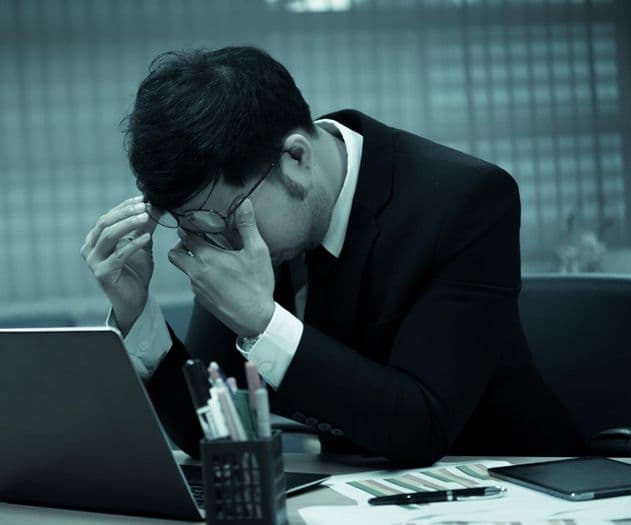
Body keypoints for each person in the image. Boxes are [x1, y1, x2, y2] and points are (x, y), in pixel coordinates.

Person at [80, 46, 582, 465]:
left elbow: (422, 427)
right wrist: (135, 311)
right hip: (349, 494)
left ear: (296, 159)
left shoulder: (462, 202)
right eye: (192, 226)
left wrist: (262, 321)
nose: (216, 242)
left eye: (223, 217)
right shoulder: (234, 226)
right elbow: (213, 434)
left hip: (508, 484)